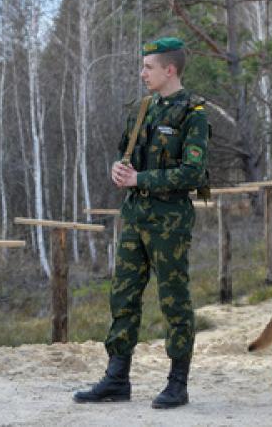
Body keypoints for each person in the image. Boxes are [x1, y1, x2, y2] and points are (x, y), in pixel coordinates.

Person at [74, 37, 210, 409]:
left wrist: (141, 180)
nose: (142, 73)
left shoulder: (192, 113)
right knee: (123, 295)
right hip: (135, 217)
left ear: (170, 69)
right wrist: (118, 168)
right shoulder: (142, 108)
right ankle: (117, 377)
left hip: (169, 221)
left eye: (148, 66)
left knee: (174, 299)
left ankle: (177, 382)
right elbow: (126, 151)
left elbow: (193, 173)